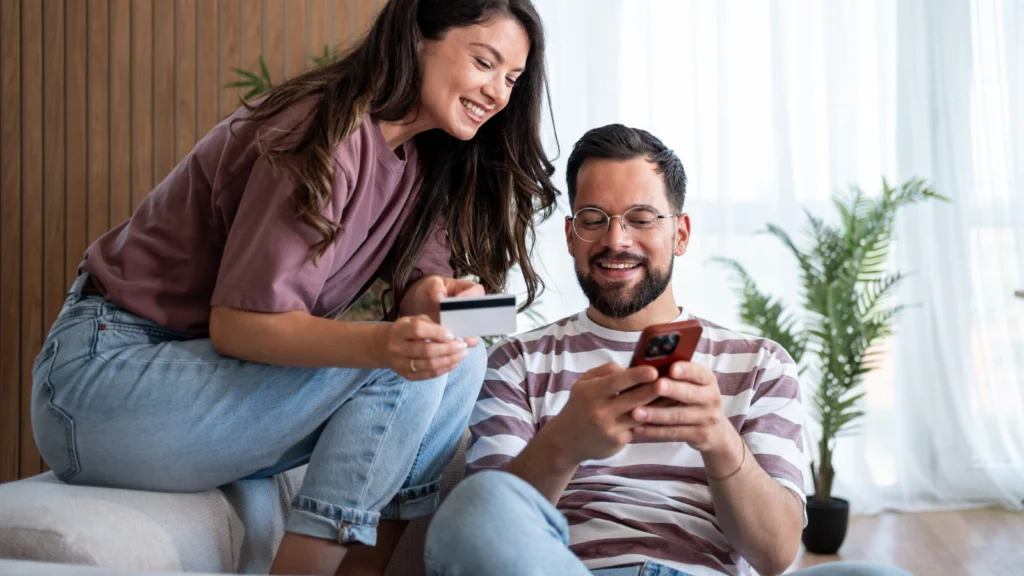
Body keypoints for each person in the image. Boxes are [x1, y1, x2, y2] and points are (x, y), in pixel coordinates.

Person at [29, 0, 557, 574]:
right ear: (418, 36)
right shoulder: (321, 129)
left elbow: (418, 287)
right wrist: (386, 346)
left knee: (459, 358)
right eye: (485, 63)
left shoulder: (426, 158)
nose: (499, 94)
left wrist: (436, 301)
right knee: (397, 362)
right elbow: (239, 324)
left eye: (511, 79)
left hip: (202, 386)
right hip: (100, 383)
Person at [424, 125, 912, 576]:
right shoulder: (518, 361)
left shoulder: (760, 363)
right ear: (572, 237)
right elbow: (484, 523)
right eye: (594, 219)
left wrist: (719, 440)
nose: (616, 239)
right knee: (476, 504)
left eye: (641, 218)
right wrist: (564, 444)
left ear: (680, 235)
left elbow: (777, 554)